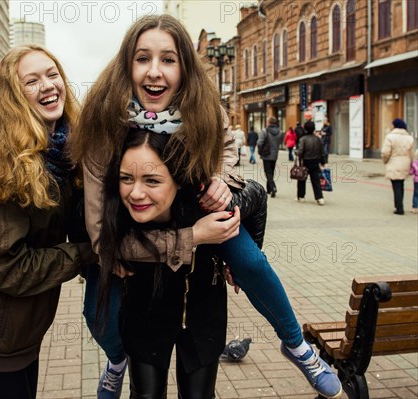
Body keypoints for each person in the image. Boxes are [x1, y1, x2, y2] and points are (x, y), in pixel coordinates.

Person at [70, 14, 342, 399]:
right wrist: (109, 245)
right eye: (142, 58)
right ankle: (116, 360)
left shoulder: (201, 106)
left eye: (168, 59)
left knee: (249, 262)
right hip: (131, 228)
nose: (154, 72)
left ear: (184, 67)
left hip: (200, 227)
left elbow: (228, 150)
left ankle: (297, 345)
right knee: (101, 316)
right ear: (126, 64)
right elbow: (99, 222)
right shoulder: (105, 119)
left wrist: (220, 178)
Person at [0, 45, 96, 398]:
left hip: (21, 325)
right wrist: (85, 253)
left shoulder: (56, 151)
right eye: (31, 82)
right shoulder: (5, 166)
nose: (48, 85)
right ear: (13, 99)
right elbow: (6, 265)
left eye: (52, 74)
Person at [99, 128, 229, 397]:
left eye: (152, 181)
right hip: (144, 317)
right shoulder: (112, 216)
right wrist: (192, 237)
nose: (136, 193)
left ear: (179, 179)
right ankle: (115, 363)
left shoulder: (206, 207)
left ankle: (297, 347)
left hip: (204, 315)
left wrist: (237, 263)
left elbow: (256, 200)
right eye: (126, 178)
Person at [381, 118, 415, 215]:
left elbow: (385, 152)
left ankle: (399, 208)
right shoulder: (409, 138)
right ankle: (400, 206)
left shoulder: (390, 137)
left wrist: (385, 161)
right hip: (405, 163)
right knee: (401, 184)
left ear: (395, 125)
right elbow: (411, 153)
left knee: (396, 185)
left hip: (393, 163)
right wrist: (411, 163)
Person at [296, 126, 326, 205]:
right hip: (315, 162)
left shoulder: (303, 139)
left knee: (302, 179)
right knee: (316, 181)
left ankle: (301, 196)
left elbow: (300, 152)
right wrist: (323, 162)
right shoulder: (318, 139)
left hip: (305, 162)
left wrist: (296, 152)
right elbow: (322, 152)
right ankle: (319, 198)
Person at [258, 116, 284, 198]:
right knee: (271, 172)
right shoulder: (280, 131)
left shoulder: (265, 130)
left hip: (266, 154)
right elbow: (280, 142)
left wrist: (260, 151)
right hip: (275, 154)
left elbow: (259, 142)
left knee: (267, 172)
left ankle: (273, 188)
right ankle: (268, 189)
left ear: (269, 122)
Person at [410, 150, 418, 214]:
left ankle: (414, 208)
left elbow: (411, 172)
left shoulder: (415, 163)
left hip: (416, 180)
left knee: (415, 194)